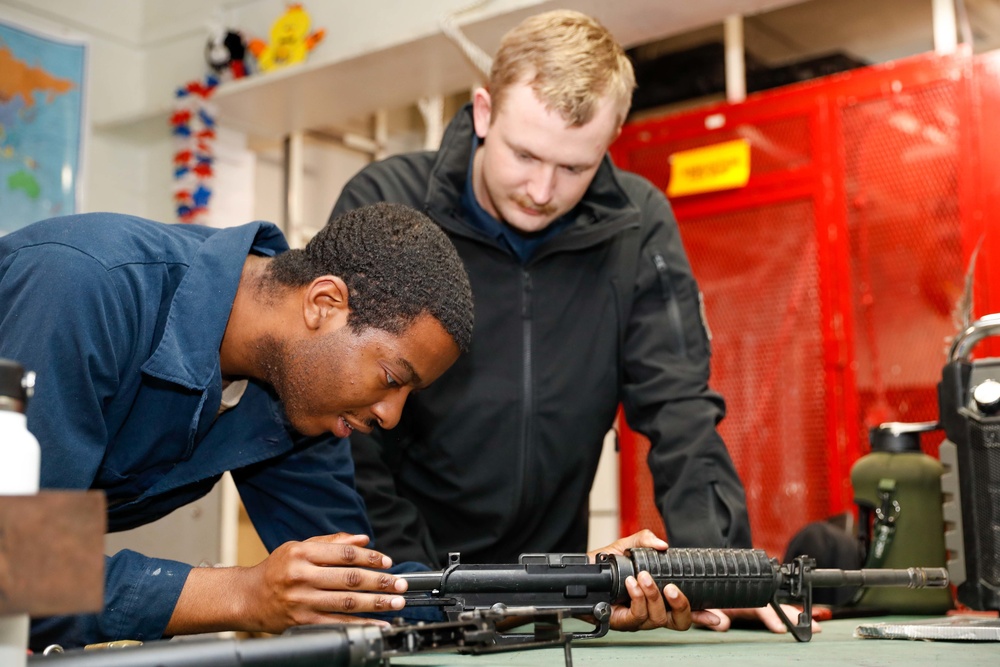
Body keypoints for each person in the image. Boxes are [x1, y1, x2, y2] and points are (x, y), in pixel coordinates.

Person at [332, 10, 813, 634]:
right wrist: (418, 592)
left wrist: (718, 570)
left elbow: (680, 412)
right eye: (524, 154)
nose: (541, 189)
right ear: (484, 112)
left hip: (549, 601)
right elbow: (345, 432)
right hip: (394, 584)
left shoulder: (637, 226)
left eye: (575, 168)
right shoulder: (387, 205)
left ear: (611, 139)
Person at [0, 203, 477, 650]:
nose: (390, 416)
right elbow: (20, 567)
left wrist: (502, 599)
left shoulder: (300, 393)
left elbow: (350, 585)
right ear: (323, 303)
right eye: (392, 379)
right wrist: (244, 594)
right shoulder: (81, 286)